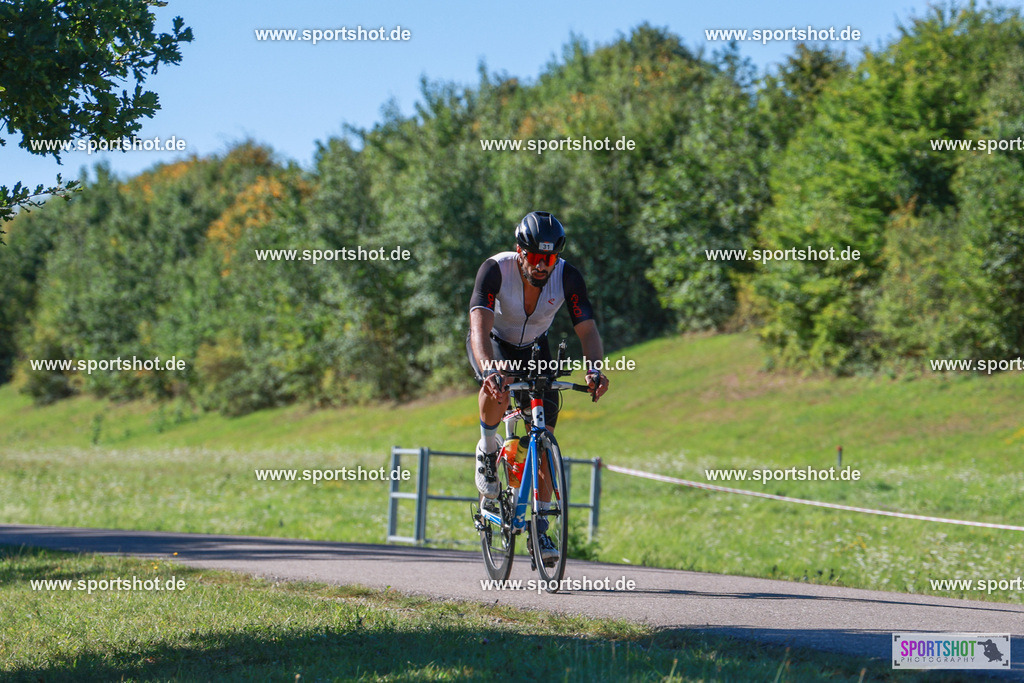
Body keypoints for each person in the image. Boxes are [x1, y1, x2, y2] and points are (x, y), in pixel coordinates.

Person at [466, 210, 610, 563]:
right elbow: (479, 329)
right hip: (495, 343)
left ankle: (540, 530)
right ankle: (487, 449)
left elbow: (587, 330)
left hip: (535, 347)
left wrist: (594, 370)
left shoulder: (568, 277)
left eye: (550, 258)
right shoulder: (495, 269)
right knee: (499, 382)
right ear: (520, 251)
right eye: (535, 257)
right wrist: (490, 368)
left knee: (542, 438)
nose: (543, 265)